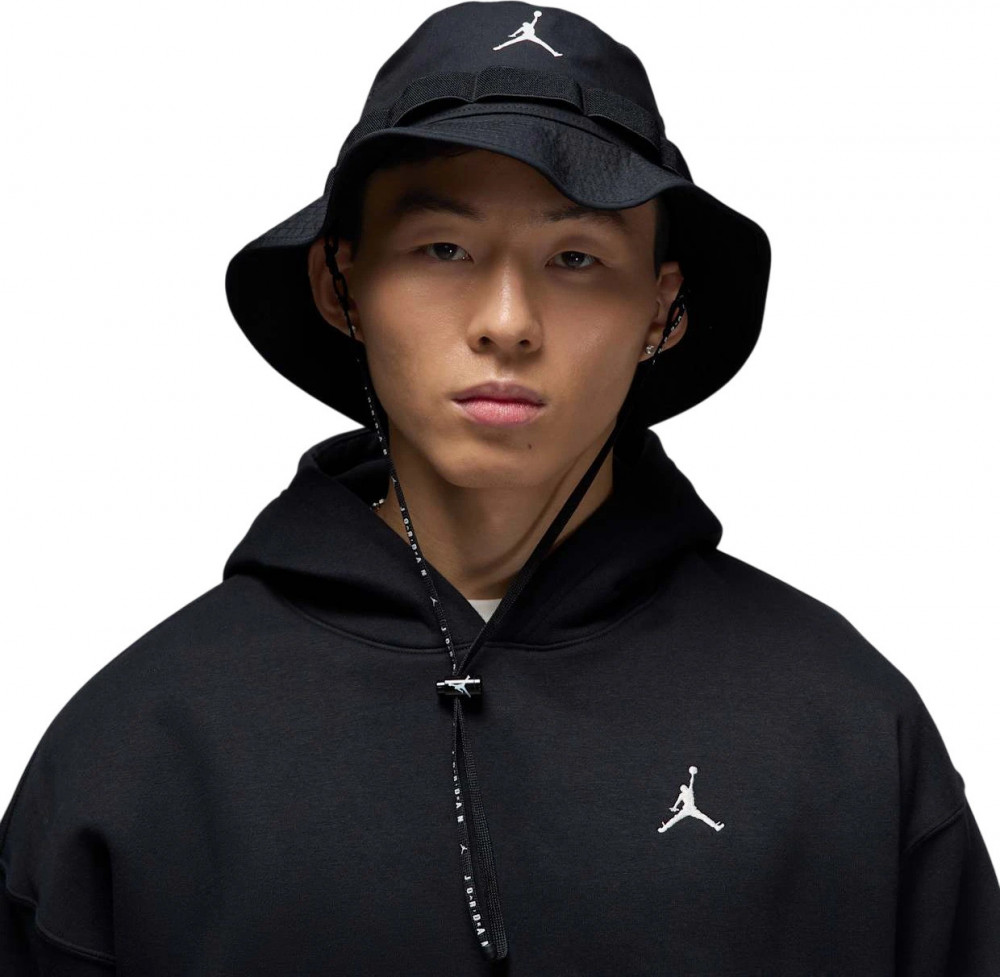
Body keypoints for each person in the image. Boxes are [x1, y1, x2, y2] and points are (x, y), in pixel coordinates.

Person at [2, 2, 999, 973]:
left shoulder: (843, 725)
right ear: (341, 285)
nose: (508, 320)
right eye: (443, 248)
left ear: (663, 310)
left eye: (576, 257)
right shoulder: (139, 742)